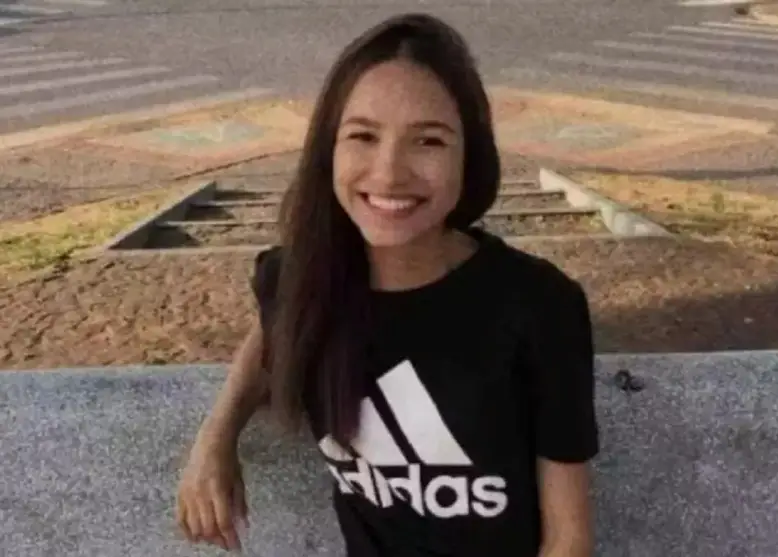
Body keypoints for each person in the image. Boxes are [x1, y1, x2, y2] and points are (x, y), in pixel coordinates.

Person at [176, 12, 600, 557]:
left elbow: (568, 540)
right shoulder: (298, 278)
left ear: (470, 157)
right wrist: (215, 439)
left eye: (428, 141)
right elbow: (271, 336)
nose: (390, 172)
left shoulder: (539, 305)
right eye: (363, 136)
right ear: (329, 149)